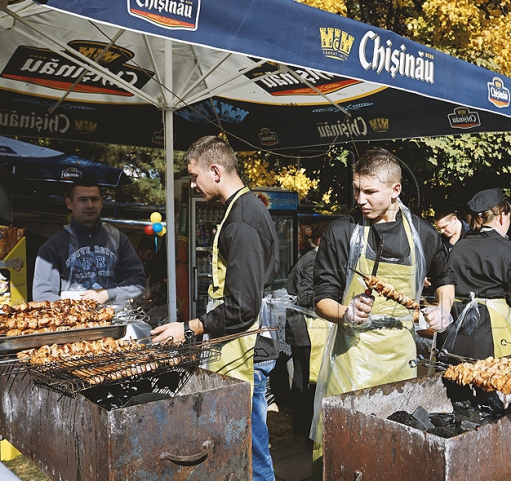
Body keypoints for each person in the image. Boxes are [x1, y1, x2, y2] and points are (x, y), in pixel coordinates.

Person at [310, 147, 455, 476]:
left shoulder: (424, 236)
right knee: (347, 450)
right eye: (357, 190)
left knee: (395, 450)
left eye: (370, 191)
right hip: (352, 359)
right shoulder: (341, 232)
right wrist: (345, 312)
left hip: (402, 359)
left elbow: (446, 279)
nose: (360, 199)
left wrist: (443, 310)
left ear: (395, 190)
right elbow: (321, 298)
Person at [150, 135, 279, 481]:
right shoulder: (246, 208)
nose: (193, 185)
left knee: (251, 450)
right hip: (242, 346)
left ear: (216, 170)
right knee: (242, 444)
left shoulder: (241, 220)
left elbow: (243, 306)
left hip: (247, 351)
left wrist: (189, 327)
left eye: (195, 177)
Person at [441, 187, 511, 360]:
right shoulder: (510, 250)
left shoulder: (457, 248)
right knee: (491, 379)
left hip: (453, 331)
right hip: (491, 333)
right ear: (502, 217)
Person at [33, 179, 145, 305]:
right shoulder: (53, 246)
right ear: (69, 203)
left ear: (101, 202)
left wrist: (108, 293)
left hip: (115, 319)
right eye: (83, 200)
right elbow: (42, 294)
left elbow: (138, 280)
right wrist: (76, 309)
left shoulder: (118, 240)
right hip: (71, 321)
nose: (90, 205)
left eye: (94, 199)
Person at [285, 221, 331, 438]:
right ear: (322, 242)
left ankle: (301, 431)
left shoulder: (310, 257)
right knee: (305, 382)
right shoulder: (313, 260)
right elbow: (305, 296)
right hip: (306, 329)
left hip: (302, 328)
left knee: (302, 380)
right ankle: (305, 433)